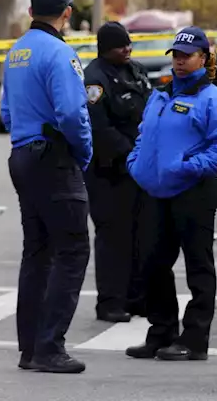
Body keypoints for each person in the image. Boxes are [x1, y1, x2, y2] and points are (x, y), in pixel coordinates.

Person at [0, 0, 94, 374]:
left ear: (30, 12)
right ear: (67, 13)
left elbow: (6, 111)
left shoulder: (16, 52)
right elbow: (72, 113)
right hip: (53, 158)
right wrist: (84, 151)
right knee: (72, 251)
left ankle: (30, 348)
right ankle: (50, 346)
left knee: (37, 252)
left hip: (22, 155)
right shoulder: (60, 53)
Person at [126, 27, 217, 362]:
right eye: (177, 56)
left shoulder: (214, 100)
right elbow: (144, 135)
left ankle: (195, 338)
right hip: (155, 190)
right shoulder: (160, 95)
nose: (181, 61)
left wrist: (189, 166)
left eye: (188, 56)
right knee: (152, 262)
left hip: (193, 191)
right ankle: (162, 331)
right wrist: (136, 162)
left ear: (204, 58)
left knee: (198, 265)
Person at [83, 21, 151, 323]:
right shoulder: (94, 79)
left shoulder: (134, 71)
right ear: (105, 48)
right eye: (120, 45)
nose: (127, 49)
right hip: (108, 171)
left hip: (137, 170)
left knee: (139, 235)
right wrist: (130, 152)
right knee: (113, 238)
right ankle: (110, 302)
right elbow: (99, 128)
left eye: (128, 43)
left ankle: (135, 297)